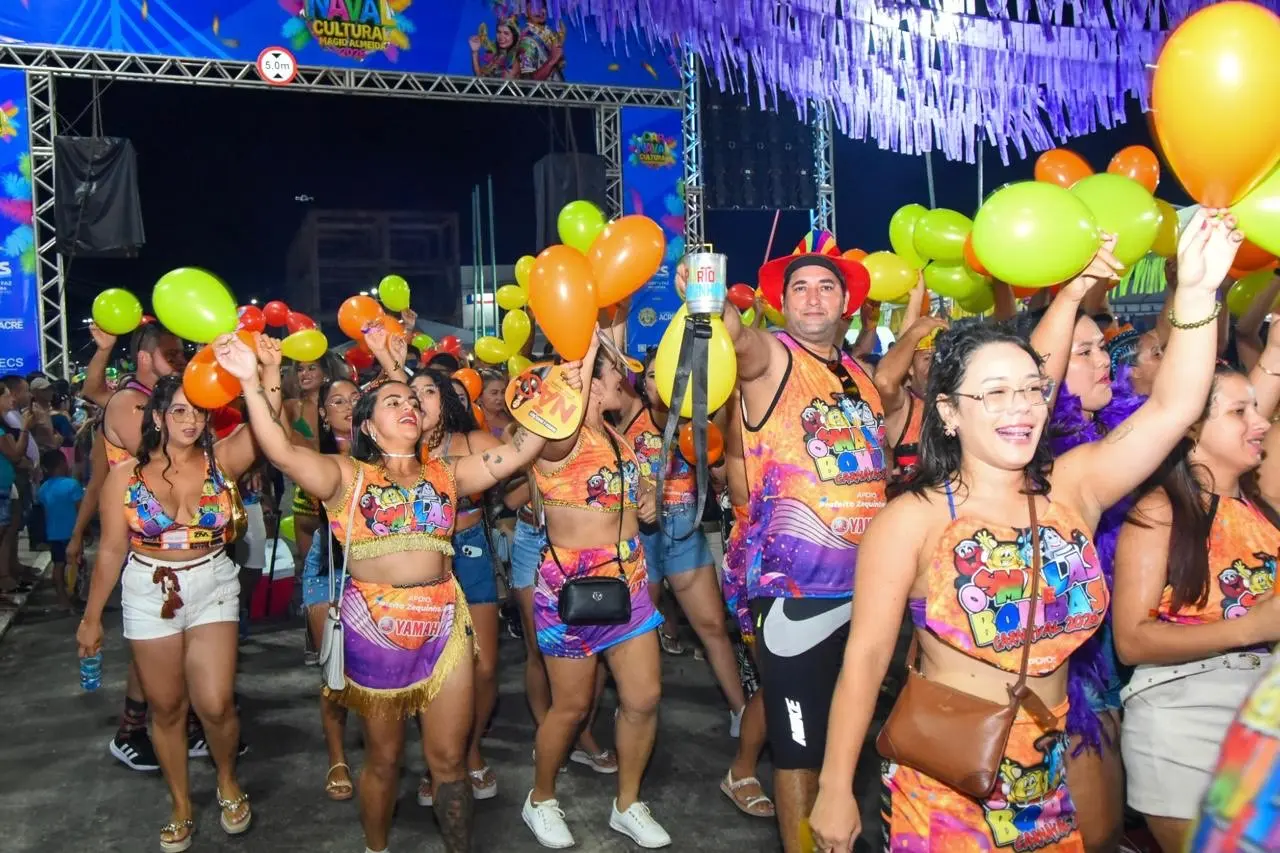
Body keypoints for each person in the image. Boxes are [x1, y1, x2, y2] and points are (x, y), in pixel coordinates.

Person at [807, 209, 1239, 852]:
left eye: (1032, 390)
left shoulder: (1075, 487)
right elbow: (866, 659)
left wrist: (1199, 293)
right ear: (949, 412)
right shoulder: (913, 519)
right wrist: (835, 786)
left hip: (1049, 780)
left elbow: (1175, 407)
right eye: (995, 393)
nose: (1021, 409)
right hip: (946, 789)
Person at [212, 332, 557, 853]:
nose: (408, 406)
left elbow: (518, 451)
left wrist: (559, 390)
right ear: (368, 426)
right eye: (393, 401)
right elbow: (279, 451)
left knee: (449, 762)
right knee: (385, 760)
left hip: (445, 626)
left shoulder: (447, 474)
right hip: (375, 630)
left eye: (413, 401)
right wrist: (249, 381)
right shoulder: (344, 476)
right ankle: (377, 847)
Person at [675, 235, 885, 851]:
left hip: (868, 589)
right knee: (799, 749)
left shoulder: (860, 376)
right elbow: (736, 339)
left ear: (846, 303)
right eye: (800, 288)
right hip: (796, 591)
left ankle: (796, 810)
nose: (813, 298)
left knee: (837, 727)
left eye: (826, 287)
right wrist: (707, 296)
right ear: (782, 303)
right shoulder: (771, 358)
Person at [76, 368, 265, 853]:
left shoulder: (222, 460)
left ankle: (227, 779)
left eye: (198, 410)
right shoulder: (125, 476)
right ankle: (180, 804)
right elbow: (112, 550)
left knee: (217, 703)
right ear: (158, 417)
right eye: (179, 410)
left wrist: (259, 377)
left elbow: (269, 426)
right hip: (147, 589)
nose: (190, 420)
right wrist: (91, 618)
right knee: (166, 708)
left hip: (213, 582)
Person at [1112, 343, 1280, 851]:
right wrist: (1251, 628)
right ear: (1192, 428)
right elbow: (1132, 641)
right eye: (1239, 412)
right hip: (1185, 712)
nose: (1261, 423)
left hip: (1262, 705)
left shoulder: (1261, 507)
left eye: (1257, 409)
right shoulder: (1161, 511)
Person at [521, 334, 670, 849]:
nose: (619, 383)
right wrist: (584, 351)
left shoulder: (616, 437)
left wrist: (647, 498)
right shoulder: (554, 440)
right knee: (571, 707)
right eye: (610, 375)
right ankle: (540, 799)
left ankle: (627, 804)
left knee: (644, 698)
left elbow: (631, 489)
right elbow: (564, 419)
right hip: (571, 589)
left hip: (628, 583)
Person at [80, 322, 200, 771]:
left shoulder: (155, 401)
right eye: (172, 354)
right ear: (146, 359)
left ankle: (185, 723)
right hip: (142, 542)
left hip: (169, 538)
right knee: (155, 645)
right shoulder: (131, 403)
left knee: (175, 642)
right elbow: (162, 462)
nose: (181, 360)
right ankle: (132, 731)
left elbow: (92, 388)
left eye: (182, 352)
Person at [618, 354, 747, 731]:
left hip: (684, 529)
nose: (661, 383)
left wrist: (711, 455)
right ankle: (630, 710)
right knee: (632, 634)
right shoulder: (630, 413)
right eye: (653, 375)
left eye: (671, 374)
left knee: (712, 627)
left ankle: (740, 711)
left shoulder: (698, 422)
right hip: (638, 536)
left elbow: (721, 477)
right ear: (642, 383)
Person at [410, 368, 505, 803]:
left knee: (484, 667)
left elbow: (521, 461)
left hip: (471, 551)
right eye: (412, 392)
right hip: (423, 558)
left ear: (445, 400)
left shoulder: (472, 442)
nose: (419, 398)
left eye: (429, 390)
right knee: (429, 669)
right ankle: (438, 759)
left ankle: (470, 749)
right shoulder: (398, 450)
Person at [296, 377, 359, 802]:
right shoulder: (313, 460)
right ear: (322, 413)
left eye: (355, 398)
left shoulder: (386, 451)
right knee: (335, 673)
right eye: (337, 401)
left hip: (378, 566)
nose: (348, 406)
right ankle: (337, 757)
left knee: (381, 668)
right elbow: (306, 522)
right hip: (330, 565)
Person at [713, 387, 773, 818]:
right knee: (778, 678)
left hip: (827, 566)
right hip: (761, 565)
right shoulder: (743, 412)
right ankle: (742, 771)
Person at [36, 448, 83, 612]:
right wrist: (86, 530)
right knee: (76, 564)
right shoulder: (72, 485)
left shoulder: (43, 488)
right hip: (73, 533)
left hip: (54, 533)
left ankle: (62, 598)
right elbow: (80, 510)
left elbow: (44, 512)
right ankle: (74, 595)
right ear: (63, 464)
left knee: (59, 565)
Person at [0, 384, 31, 594]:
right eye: (6, 395)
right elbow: (15, 454)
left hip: (5, 485)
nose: (11, 399)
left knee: (7, 531)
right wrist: (26, 428)